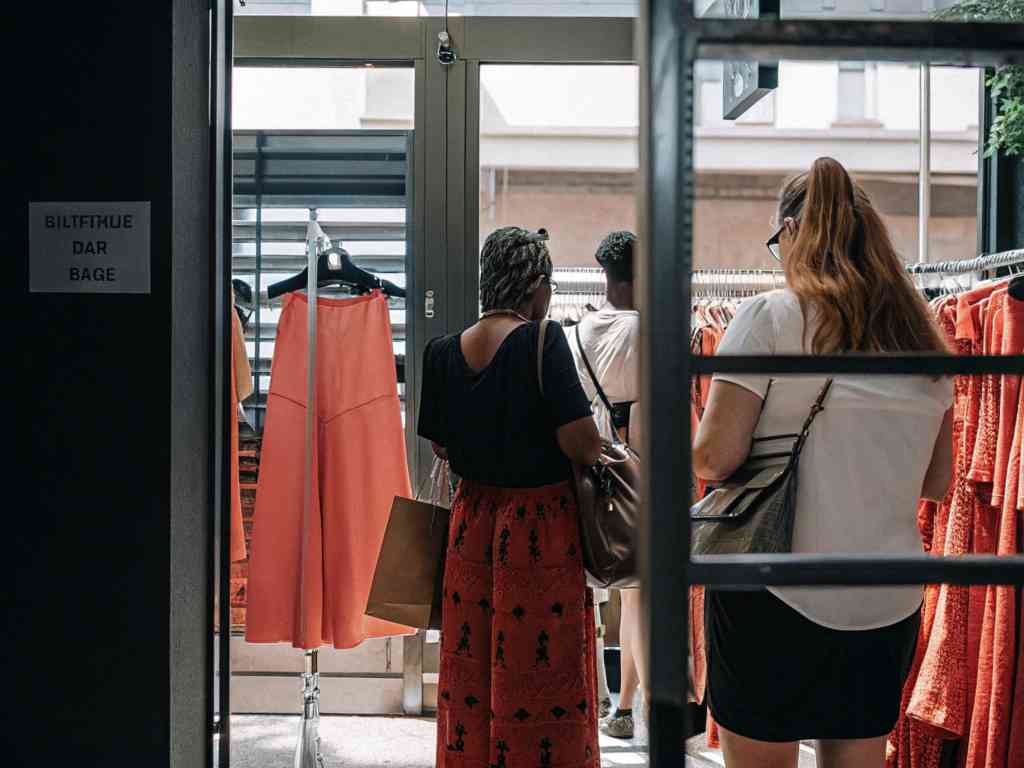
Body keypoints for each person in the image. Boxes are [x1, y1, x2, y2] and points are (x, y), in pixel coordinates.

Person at [693, 157, 954, 768]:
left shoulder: (770, 317)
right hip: (887, 600)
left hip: (773, 591)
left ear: (790, 232)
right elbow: (937, 483)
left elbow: (715, 454)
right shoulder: (925, 342)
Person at [418, 226, 603, 768]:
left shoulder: (442, 353)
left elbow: (442, 446)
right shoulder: (542, 342)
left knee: (472, 666)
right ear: (537, 286)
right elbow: (582, 444)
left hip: (471, 524)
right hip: (539, 533)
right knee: (541, 669)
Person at [569, 231, 647, 740]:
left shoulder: (573, 333)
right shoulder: (646, 332)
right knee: (641, 594)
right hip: (634, 469)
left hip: (582, 471)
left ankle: (592, 693)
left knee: (585, 590)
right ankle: (625, 709)